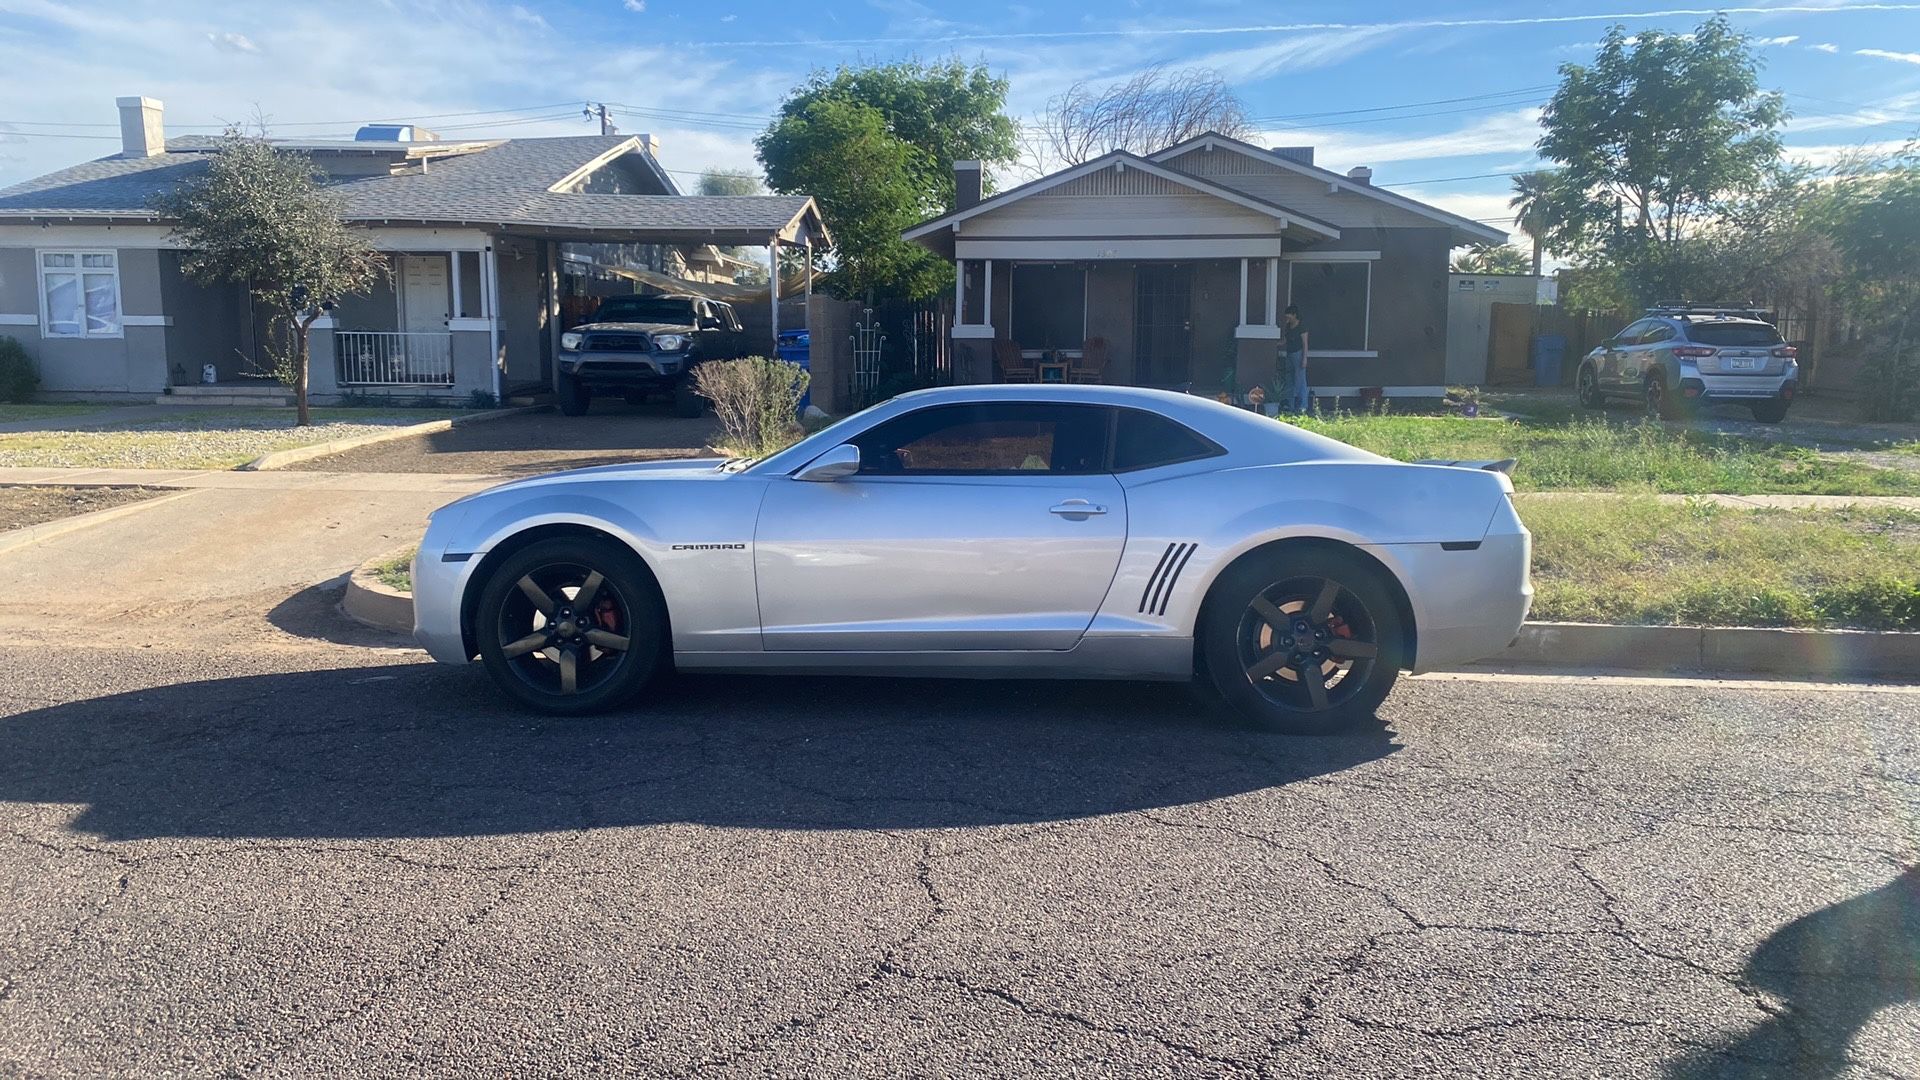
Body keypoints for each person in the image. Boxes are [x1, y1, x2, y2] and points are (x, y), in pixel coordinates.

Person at [1282, 305, 1311, 412]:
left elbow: (1305, 343)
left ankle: (1303, 405)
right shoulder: (1288, 326)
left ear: (1294, 315)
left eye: (1289, 316)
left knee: (1300, 380)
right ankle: (1291, 405)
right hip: (1289, 354)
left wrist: (1304, 359)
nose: (1287, 318)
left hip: (1298, 354)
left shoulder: (1301, 327)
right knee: (1289, 379)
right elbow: (1286, 339)